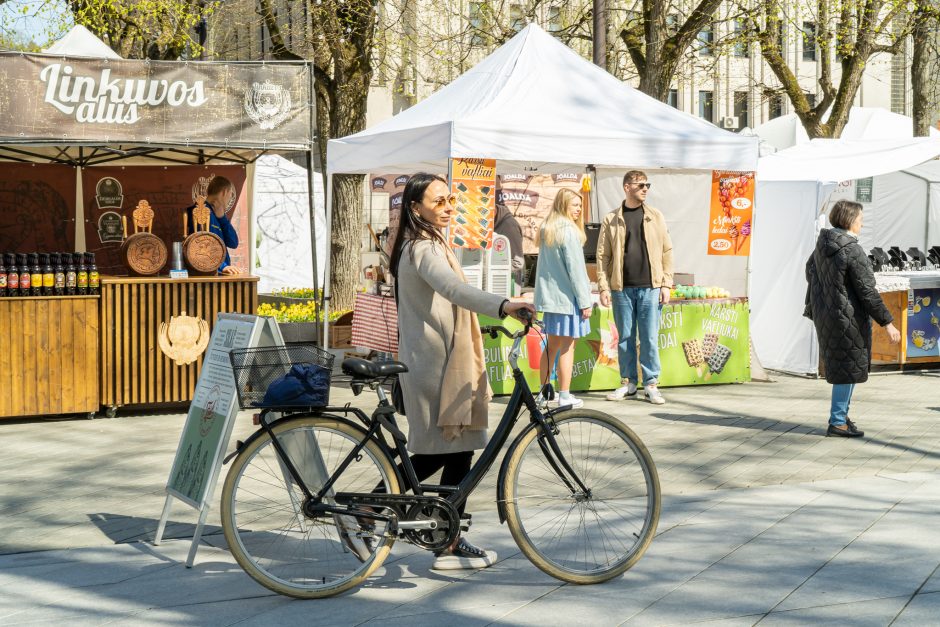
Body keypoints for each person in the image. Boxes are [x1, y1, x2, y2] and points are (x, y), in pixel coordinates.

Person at [389, 173, 534, 570]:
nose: (449, 207)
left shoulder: (430, 243)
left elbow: (446, 304)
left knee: (458, 447)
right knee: (446, 447)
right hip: (435, 366)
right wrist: (504, 304)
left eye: (450, 200)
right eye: (439, 202)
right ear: (415, 208)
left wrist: (482, 323)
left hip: (443, 360)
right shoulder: (422, 247)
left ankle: (445, 535)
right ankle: (389, 511)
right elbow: (453, 290)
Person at [804, 200, 901, 438]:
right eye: (860, 219)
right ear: (849, 220)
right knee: (847, 369)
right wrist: (888, 323)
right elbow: (867, 292)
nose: (862, 222)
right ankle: (837, 422)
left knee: (845, 367)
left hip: (828, 316)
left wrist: (829, 296)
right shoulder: (852, 250)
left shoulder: (822, 246)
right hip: (848, 319)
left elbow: (810, 272)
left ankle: (842, 417)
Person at [596, 170, 673, 405]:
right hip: (621, 288)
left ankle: (650, 384)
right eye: (641, 185)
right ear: (627, 187)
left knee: (649, 337)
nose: (645, 189)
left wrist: (666, 283)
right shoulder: (611, 219)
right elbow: (603, 256)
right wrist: (603, 287)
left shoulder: (655, 216)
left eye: (647, 185)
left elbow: (667, 250)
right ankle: (628, 383)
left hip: (650, 286)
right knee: (625, 338)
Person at [533, 188, 592, 409]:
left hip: (552, 300)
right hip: (568, 300)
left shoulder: (547, 228)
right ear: (563, 205)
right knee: (568, 347)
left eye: (579, 205)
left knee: (551, 346)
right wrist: (585, 301)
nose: (578, 210)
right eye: (574, 205)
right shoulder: (569, 231)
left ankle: (544, 393)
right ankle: (565, 394)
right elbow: (576, 270)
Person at [186, 175, 240, 275]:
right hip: (206, 275)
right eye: (230, 195)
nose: (229, 199)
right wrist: (223, 266)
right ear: (225, 192)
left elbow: (233, 242)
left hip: (216, 273)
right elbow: (199, 245)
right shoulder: (201, 212)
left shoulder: (217, 214)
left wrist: (222, 219)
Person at [494, 202, 525, 289]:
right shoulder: (491, 224)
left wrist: (493, 267)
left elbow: (517, 262)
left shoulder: (510, 226)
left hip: (508, 285)